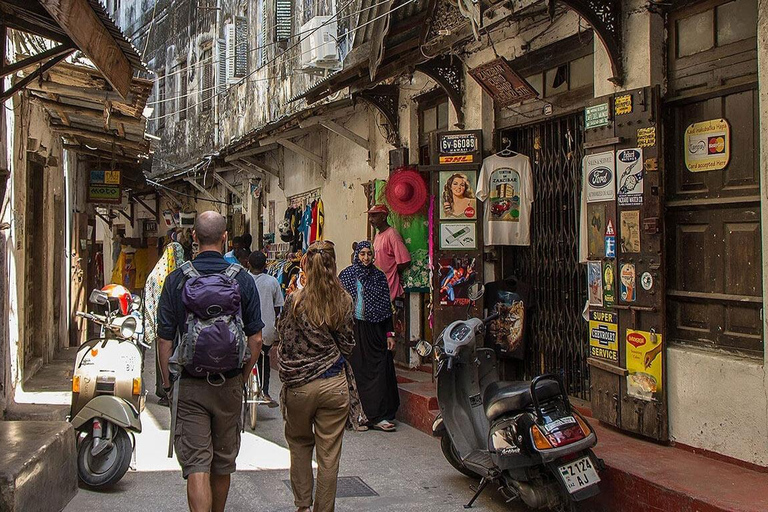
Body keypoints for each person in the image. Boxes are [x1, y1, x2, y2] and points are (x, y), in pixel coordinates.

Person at [157, 211, 263, 512]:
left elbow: (164, 340)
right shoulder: (242, 279)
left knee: (196, 464)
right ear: (225, 238)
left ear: (194, 238)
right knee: (222, 464)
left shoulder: (177, 279)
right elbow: (256, 339)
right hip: (229, 383)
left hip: (190, 385)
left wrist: (168, 383)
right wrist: (241, 379)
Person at [277, 240, 367, 512]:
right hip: (334, 384)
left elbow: (284, 338)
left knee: (300, 447)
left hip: (300, 386)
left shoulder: (295, 301)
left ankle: (303, 507)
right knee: (329, 457)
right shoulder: (344, 300)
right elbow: (348, 344)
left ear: (307, 265)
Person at [339, 241, 400, 432]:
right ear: (356, 255)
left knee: (380, 369)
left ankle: (379, 416)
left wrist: (390, 334)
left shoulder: (379, 277)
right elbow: (339, 305)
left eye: (369, 254)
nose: (366, 258)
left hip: (376, 331)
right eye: (362, 254)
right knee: (358, 372)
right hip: (354, 330)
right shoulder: (347, 275)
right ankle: (359, 415)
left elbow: (386, 308)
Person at [144, 240, 186, 406]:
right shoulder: (184, 275)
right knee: (179, 354)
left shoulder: (156, 276)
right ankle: (177, 387)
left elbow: (149, 300)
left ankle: (164, 388)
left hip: (162, 323)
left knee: (163, 353)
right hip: (180, 323)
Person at [248, 250, 283, 406]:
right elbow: (277, 307)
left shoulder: (244, 279)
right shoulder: (272, 282)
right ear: (265, 265)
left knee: (244, 359)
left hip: (247, 329)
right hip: (266, 329)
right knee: (265, 358)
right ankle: (266, 392)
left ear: (248, 264)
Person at [367, 204, 411, 301]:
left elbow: (404, 260)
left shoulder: (392, 234)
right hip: (379, 287)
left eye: (374, 216)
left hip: (389, 289)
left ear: (383, 217)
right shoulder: (378, 235)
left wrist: (393, 273)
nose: (370, 219)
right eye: (370, 216)